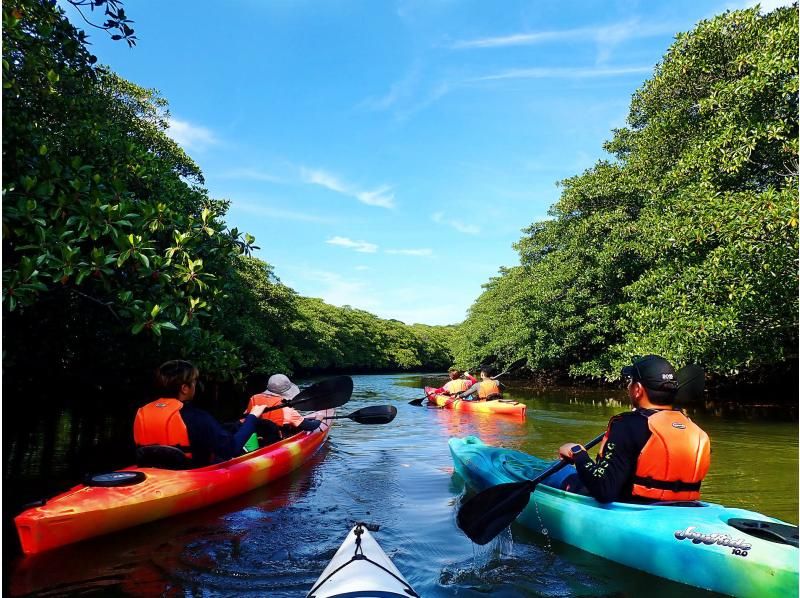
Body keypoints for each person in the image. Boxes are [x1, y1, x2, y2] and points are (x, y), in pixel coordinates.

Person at [556, 354, 711, 503]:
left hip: (635, 509)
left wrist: (577, 453)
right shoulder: (694, 430)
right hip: (685, 508)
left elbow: (604, 489)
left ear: (637, 389)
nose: (628, 386)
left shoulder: (626, 425)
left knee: (565, 478)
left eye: (631, 382)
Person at [134, 360, 276, 467]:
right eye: (194, 381)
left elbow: (201, 432)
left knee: (230, 427)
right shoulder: (196, 416)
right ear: (184, 388)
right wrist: (252, 417)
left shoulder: (143, 412)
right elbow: (231, 449)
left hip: (154, 471)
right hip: (191, 474)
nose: (195, 385)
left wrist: (238, 425)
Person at [246, 373, 322, 438]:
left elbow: (245, 420)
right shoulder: (287, 410)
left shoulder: (254, 399)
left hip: (256, 436)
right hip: (275, 440)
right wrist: (319, 419)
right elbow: (309, 426)